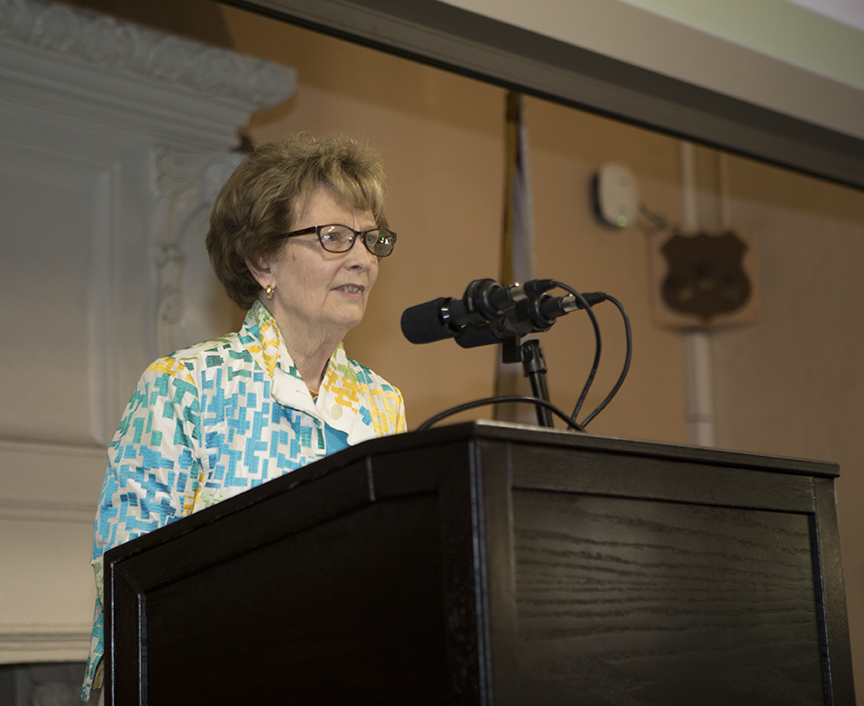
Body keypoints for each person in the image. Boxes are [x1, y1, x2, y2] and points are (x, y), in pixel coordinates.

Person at [81, 132, 406, 701]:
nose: (362, 258)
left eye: (371, 239)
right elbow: (127, 591)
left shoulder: (383, 404)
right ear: (262, 260)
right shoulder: (185, 388)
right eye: (334, 237)